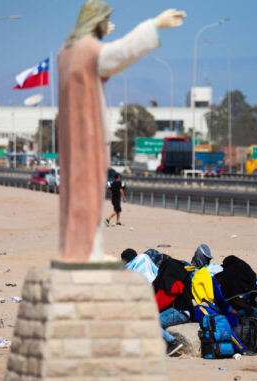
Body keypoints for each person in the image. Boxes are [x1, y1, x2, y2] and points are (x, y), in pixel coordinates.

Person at [56, 0, 185, 262]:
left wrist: (97, 35)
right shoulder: (84, 50)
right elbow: (119, 54)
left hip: (76, 130)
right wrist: (154, 24)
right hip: (87, 131)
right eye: (104, 20)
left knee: (84, 193)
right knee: (87, 192)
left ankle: (85, 248)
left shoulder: (66, 49)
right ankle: (86, 251)